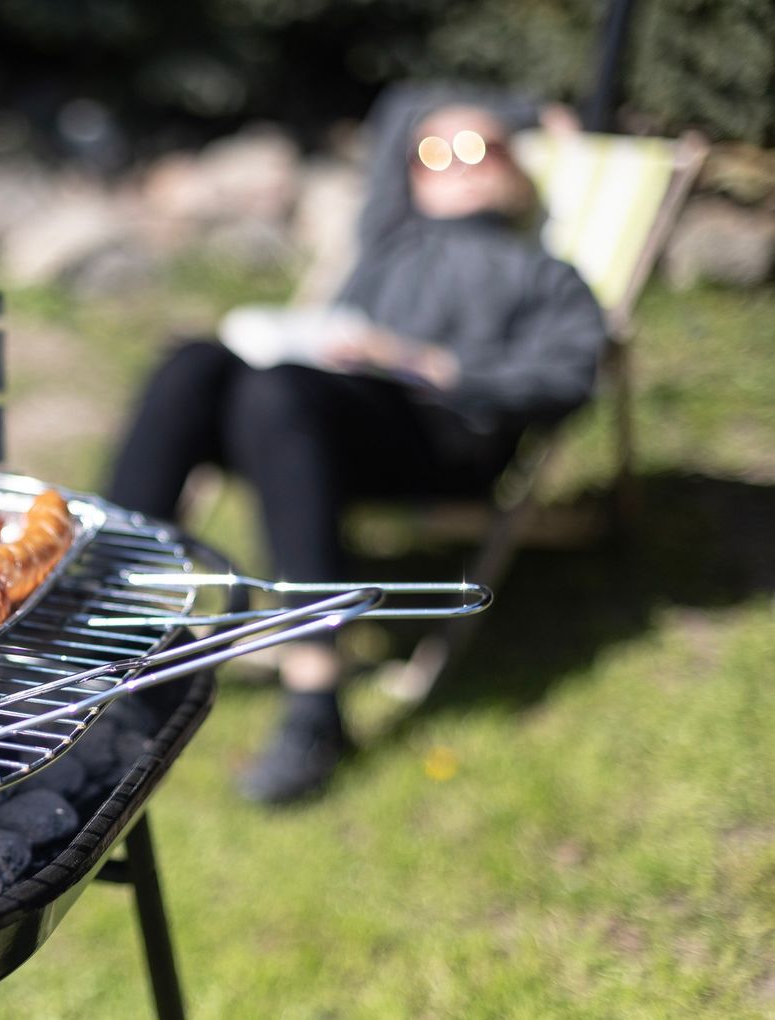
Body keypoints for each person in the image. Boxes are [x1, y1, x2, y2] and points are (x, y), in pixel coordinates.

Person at [105, 84, 608, 805]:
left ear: (519, 174)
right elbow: (404, 105)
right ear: (411, 178)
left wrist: (431, 363)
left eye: (482, 149)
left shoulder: (546, 275)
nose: (457, 164)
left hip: (440, 438)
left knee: (280, 390)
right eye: (435, 154)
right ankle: (116, 618)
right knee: (195, 362)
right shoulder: (391, 238)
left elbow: (570, 377)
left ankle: (315, 700)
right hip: (310, 420)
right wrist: (524, 113)